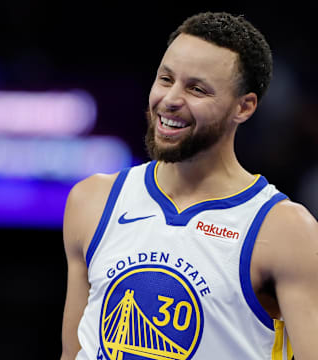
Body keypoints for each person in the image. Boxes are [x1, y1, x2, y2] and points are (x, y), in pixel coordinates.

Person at [60, 12, 317, 360]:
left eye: (197, 89)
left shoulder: (286, 230)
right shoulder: (91, 201)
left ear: (244, 107)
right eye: (166, 79)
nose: (170, 99)